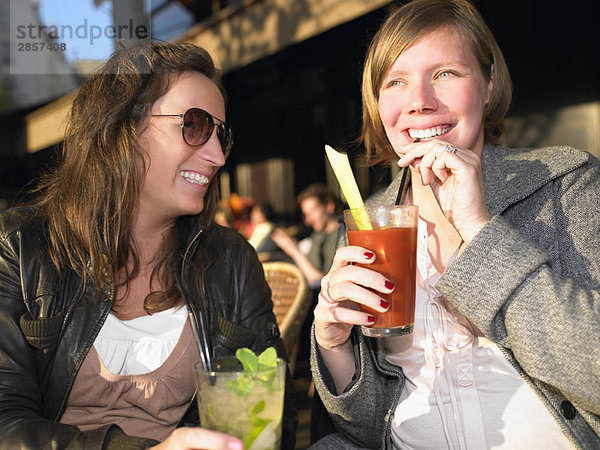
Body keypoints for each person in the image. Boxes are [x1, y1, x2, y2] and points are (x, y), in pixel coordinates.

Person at [310, 0, 600, 448]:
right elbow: (370, 427)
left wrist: (478, 227)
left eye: (445, 73)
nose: (420, 102)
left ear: (488, 84)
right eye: (396, 82)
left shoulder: (567, 184)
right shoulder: (370, 220)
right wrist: (334, 345)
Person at [0, 42, 297, 449]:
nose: (216, 156)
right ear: (122, 128)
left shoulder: (231, 261)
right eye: (195, 125)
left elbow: (275, 418)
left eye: (221, 136)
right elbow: (5, 419)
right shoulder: (21, 247)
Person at [271, 183, 341, 288]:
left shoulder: (342, 237)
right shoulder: (318, 235)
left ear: (329, 207)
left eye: (312, 212)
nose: (308, 220)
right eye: (306, 214)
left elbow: (319, 281)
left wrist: (293, 250)